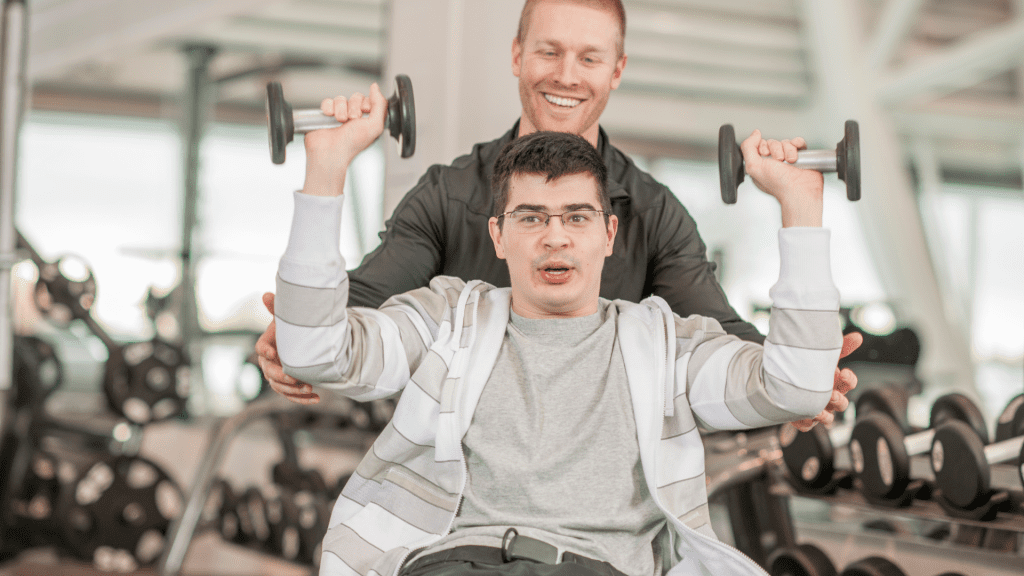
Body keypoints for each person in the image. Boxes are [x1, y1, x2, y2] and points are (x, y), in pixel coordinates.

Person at [274, 73, 851, 574]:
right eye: (531, 217)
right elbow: (315, 352)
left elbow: (796, 387)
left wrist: (800, 206)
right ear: (498, 236)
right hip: (455, 565)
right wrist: (327, 166)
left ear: (609, 235)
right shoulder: (447, 319)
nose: (555, 236)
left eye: (577, 216)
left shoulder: (666, 346)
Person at [255, 0, 863, 424]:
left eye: (590, 59)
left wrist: (796, 372)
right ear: (517, 55)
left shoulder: (654, 212)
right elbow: (358, 309)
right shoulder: (446, 195)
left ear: (617, 70)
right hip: (454, 471)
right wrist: (300, 337)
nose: (567, 76)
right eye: (549, 52)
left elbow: (720, 335)